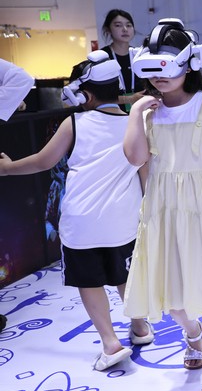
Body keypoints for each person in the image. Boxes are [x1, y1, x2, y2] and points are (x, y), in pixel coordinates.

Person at [123, 18, 202, 391]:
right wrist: (135, 114)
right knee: (172, 295)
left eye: (167, 66)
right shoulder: (149, 112)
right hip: (162, 211)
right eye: (153, 68)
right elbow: (135, 158)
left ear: (188, 65)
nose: (160, 77)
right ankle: (193, 333)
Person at [0, 52, 152, 370]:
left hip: (82, 223)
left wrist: (8, 168)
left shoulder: (74, 123)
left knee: (89, 280)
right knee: (126, 276)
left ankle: (110, 343)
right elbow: (145, 173)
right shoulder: (135, 123)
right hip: (124, 220)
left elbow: (44, 161)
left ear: (85, 94)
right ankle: (140, 327)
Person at [100, 9, 144, 107]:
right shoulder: (102, 58)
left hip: (141, 110)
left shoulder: (140, 55)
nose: (125, 29)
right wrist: (129, 99)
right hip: (112, 112)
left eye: (129, 25)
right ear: (108, 30)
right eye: (118, 25)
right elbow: (98, 96)